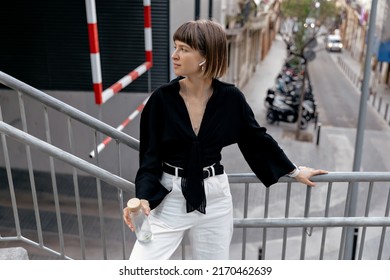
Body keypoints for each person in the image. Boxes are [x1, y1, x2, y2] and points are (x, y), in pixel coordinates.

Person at [123, 19, 327, 260]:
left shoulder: (231, 99)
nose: (174, 55)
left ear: (205, 57)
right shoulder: (161, 100)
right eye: (175, 47)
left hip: (215, 198)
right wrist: (144, 198)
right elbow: (149, 157)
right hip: (170, 197)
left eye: (184, 49)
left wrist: (294, 171)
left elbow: (255, 139)